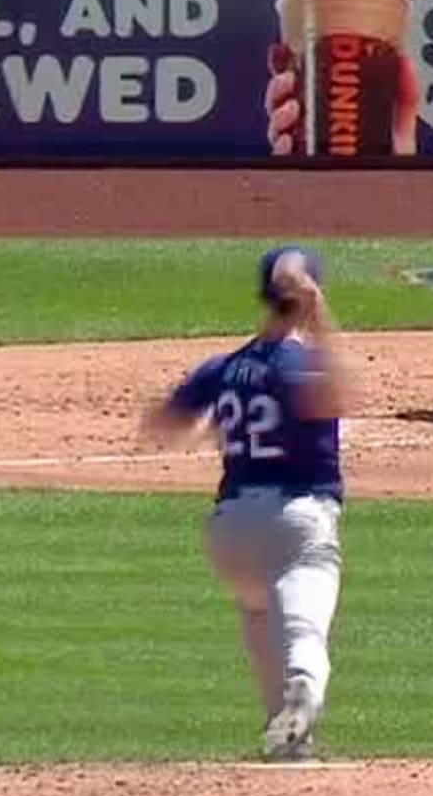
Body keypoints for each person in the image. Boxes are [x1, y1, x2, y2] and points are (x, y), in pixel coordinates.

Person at [140, 246, 354, 763]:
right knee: (304, 630)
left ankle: (285, 740)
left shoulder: (224, 367)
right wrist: (321, 315)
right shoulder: (299, 364)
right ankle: (302, 691)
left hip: (230, 528)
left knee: (258, 613)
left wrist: (218, 423)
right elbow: (337, 395)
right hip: (294, 520)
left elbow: (162, 425)